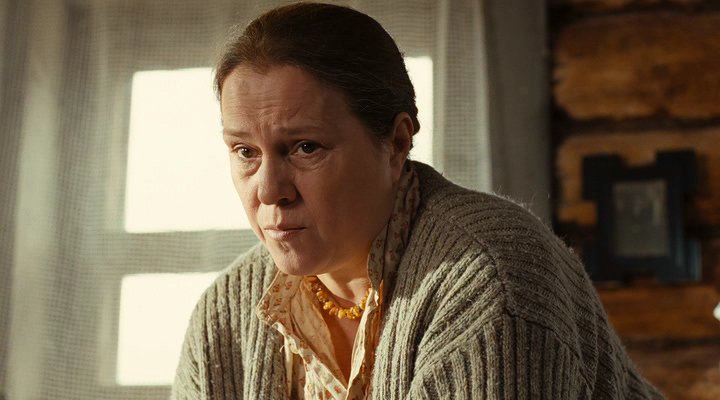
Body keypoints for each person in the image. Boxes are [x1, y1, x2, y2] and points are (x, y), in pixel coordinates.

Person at [172, 3, 663, 399]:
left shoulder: (487, 278)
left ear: (397, 143)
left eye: (305, 147)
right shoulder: (224, 314)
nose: (268, 190)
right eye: (245, 152)